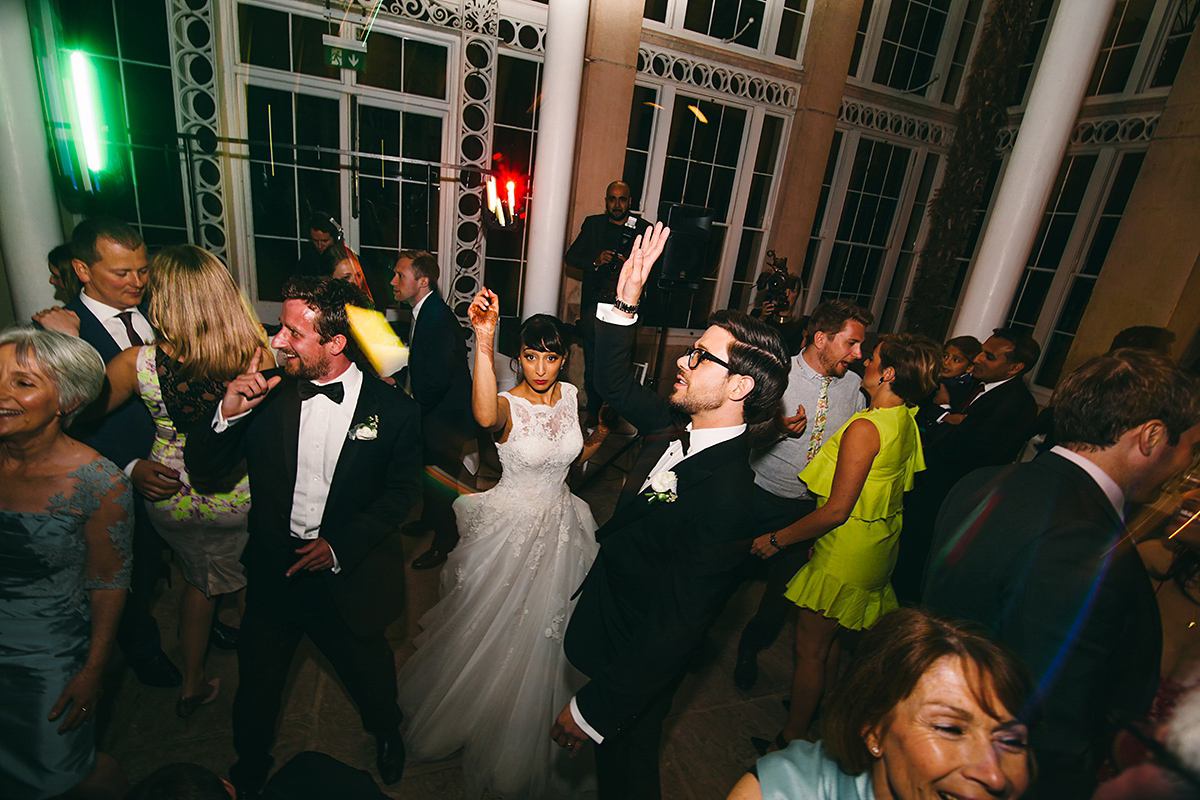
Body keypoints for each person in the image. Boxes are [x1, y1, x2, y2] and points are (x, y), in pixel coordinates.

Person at [552, 223, 791, 800]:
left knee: (630, 775)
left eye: (700, 357)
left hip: (638, 659)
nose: (684, 361)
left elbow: (677, 628)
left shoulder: (727, 499)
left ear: (737, 388)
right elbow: (609, 378)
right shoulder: (669, 428)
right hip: (613, 627)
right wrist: (626, 299)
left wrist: (593, 709)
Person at [923, 349, 1200, 799]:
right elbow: (1050, 728)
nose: (1187, 464)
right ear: (1150, 437)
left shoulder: (983, 482)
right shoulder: (1086, 547)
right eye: (1190, 446)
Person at [184, 276, 423, 794]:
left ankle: (387, 735)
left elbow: (405, 495)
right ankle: (249, 764)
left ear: (335, 344)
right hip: (275, 573)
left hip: (349, 575)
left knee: (372, 677)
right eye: (280, 328)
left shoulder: (397, 413)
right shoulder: (264, 395)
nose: (277, 341)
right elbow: (203, 467)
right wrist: (226, 413)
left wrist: (341, 546)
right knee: (257, 687)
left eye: (293, 332)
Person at [398, 290, 608, 799]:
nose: (540, 367)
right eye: (531, 356)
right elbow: (484, 416)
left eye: (551, 356)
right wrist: (485, 338)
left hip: (563, 525)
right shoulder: (506, 404)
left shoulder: (573, 396)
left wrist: (593, 444)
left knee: (554, 635)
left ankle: (550, 720)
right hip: (514, 529)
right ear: (520, 356)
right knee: (495, 627)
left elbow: (572, 457)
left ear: (563, 357)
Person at [89, 245, 268, 716]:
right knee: (252, 581)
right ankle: (258, 680)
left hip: (171, 491)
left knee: (199, 581)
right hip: (238, 491)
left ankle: (190, 684)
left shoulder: (135, 363)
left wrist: (130, 465)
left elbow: (79, 417)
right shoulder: (255, 351)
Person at [749, 334, 939, 749]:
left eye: (871, 360)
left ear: (887, 373)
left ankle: (792, 740)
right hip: (876, 543)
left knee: (810, 648)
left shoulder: (866, 427)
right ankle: (823, 712)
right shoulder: (904, 417)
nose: (862, 363)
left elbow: (836, 509)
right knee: (832, 640)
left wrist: (778, 540)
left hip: (848, 549)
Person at [32, 216, 182, 689]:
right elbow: (64, 424)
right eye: (122, 273)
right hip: (118, 477)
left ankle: (203, 622)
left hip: (180, 469)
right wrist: (129, 466)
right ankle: (143, 649)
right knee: (130, 572)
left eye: (142, 270)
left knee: (189, 556)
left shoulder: (162, 311)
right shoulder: (57, 335)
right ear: (82, 269)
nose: (137, 282)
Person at [0, 328, 131, 800]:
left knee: (59, 774)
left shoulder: (99, 482)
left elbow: (109, 579)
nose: (1, 395)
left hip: (45, 661)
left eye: (22, 383)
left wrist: (93, 669)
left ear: (66, 400)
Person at [727, 608, 1033, 800]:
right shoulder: (779, 793)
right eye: (950, 729)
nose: (995, 776)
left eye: (1010, 740)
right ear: (873, 730)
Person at [734, 300, 872, 692]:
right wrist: (774, 428)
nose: (858, 354)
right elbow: (735, 434)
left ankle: (750, 647)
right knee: (725, 576)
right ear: (821, 339)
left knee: (779, 598)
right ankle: (699, 642)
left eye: (861, 346)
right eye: (852, 344)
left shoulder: (855, 390)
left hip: (806, 511)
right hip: (756, 495)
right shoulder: (776, 376)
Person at [891, 328, 1040, 604]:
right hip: (929, 493)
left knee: (913, 576)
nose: (978, 359)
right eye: (981, 351)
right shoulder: (975, 386)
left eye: (990, 356)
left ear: (1015, 367)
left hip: (948, 500)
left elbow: (958, 447)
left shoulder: (1016, 404)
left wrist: (944, 411)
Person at [389, 250, 474, 570]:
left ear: (422, 281)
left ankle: (445, 540)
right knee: (429, 475)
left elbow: (436, 381)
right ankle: (427, 520)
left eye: (400, 275)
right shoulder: (424, 309)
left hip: (445, 418)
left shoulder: (436, 317)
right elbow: (422, 365)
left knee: (442, 484)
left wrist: (408, 406)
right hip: (436, 413)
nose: (393, 281)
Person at [563, 180, 652, 425]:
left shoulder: (643, 229)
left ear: (630, 202)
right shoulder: (593, 225)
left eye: (622, 199)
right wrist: (596, 260)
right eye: (612, 199)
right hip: (595, 307)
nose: (617, 204)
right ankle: (594, 416)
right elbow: (571, 257)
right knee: (593, 366)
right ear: (606, 201)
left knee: (619, 366)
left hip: (625, 310)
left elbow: (654, 270)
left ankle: (615, 418)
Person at [294, 212, 342, 277]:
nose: (319, 246)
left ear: (336, 238)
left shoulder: (349, 262)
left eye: (324, 241)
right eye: (315, 241)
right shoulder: (305, 263)